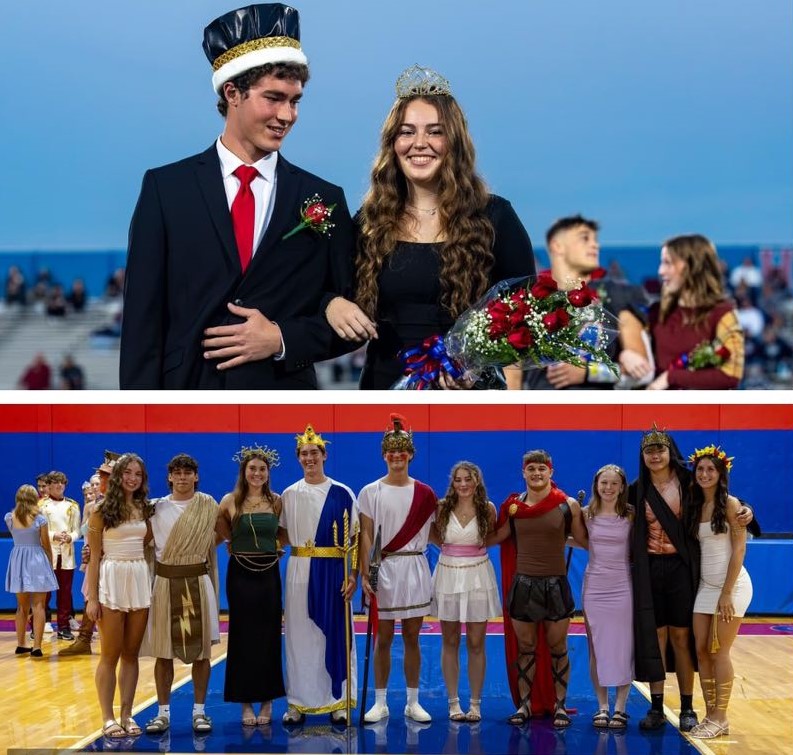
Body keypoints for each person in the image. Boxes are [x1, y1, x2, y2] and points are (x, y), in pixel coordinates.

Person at [120, 3, 355, 389]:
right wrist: (138, 419)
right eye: (274, 97)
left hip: (285, 402)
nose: (288, 114)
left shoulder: (323, 197)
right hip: (189, 399)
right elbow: (142, 326)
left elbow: (352, 321)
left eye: (295, 100)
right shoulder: (165, 189)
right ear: (232, 92)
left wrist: (280, 339)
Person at [324, 65, 536, 389]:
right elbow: (329, 291)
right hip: (385, 397)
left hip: (469, 396)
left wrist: (473, 366)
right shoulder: (368, 224)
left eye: (435, 131)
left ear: (455, 142)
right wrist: (331, 303)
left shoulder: (495, 217)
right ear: (392, 143)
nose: (419, 143)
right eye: (407, 132)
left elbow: (525, 314)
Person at [629, 424, 753, 732]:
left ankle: (687, 707)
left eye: (660, 449)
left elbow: (723, 501)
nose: (655, 455)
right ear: (642, 456)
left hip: (682, 569)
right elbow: (606, 506)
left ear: (671, 453)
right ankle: (656, 707)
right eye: (649, 450)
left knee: (683, 638)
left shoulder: (690, 481)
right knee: (657, 637)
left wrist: (749, 511)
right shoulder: (636, 489)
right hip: (650, 569)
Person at [487, 450, 587, 727]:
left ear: (551, 472)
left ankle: (560, 705)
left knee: (558, 647)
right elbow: (498, 536)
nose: (537, 474)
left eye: (542, 469)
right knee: (526, 648)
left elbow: (584, 540)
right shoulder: (513, 507)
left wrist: (620, 548)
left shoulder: (567, 505)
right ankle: (525, 705)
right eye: (531, 469)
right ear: (523, 473)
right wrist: (457, 538)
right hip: (524, 585)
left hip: (556, 584)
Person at [358, 414, 437, 722]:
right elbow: (365, 535)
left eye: (402, 450)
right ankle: (380, 702)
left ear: (411, 454)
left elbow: (438, 532)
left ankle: (412, 701)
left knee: (413, 637)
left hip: (415, 566)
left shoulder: (426, 493)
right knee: (384, 637)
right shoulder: (370, 492)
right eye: (391, 451)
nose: (396, 456)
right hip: (385, 568)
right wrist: (366, 572)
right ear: (383, 455)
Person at [279, 425, 359, 725]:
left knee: (334, 636)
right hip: (299, 571)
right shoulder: (288, 495)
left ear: (324, 455)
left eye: (314, 453)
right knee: (299, 637)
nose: (309, 458)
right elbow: (282, 536)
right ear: (298, 458)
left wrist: (353, 576)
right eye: (304, 454)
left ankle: (338, 700)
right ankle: (297, 702)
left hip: (333, 572)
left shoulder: (343, 493)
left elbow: (354, 540)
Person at [518, 215, 651, 390]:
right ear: (557, 246)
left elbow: (642, 371)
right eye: (584, 238)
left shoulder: (616, 294)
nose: (595, 244)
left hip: (598, 410)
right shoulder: (529, 298)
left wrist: (589, 372)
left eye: (595, 239)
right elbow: (513, 370)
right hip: (543, 409)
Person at [142, 454, 220, 736]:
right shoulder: (155, 508)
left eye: (188, 472)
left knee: (201, 652)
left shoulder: (208, 505)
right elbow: (139, 540)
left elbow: (225, 534)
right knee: (163, 652)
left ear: (196, 476)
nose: (183, 477)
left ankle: (200, 712)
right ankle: (163, 713)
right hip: (164, 582)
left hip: (198, 581)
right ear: (170, 477)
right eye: (177, 472)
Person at [84, 453, 153, 739]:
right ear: (118, 476)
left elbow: (148, 542)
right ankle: (108, 717)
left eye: (138, 473)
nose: (132, 478)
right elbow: (95, 555)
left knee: (131, 654)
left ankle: (127, 713)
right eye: (128, 473)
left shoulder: (146, 509)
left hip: (138, 577)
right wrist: (92, 598)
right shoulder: (100, 510)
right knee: (109, 654)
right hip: (110, 580)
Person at [216, 445, 285, 726]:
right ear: (244, 472)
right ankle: (245, 703)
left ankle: (267, 701)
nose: (257, 473)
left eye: (262, 469)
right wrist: (231, 544)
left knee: (269, 636)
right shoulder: (229, 501)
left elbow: (283, 534)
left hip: (269, 574)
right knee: (242, 636)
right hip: (241, 574)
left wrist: (276, 547)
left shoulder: (278, 501)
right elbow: (221, 531)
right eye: (252, 469)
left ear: (268, 473)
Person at [688, 446, 753, 739]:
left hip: (732, 586)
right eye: (700, 469)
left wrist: (727, 592)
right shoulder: (694, 504)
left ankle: (721, 716)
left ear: (721, 473)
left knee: (719, 651)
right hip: (705, 587)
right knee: (701, 651)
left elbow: (739, 549)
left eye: (711, 469)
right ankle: (711, 715)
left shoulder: (731, 504)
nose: (704, 474)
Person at [431, 462, 501, 723]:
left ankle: (475, 705)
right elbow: (432, 534)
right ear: (453, 483)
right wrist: (451, 551)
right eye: (458, 480)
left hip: (478, 575)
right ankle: (453, 704)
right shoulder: (441, 508)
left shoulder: (488, 509)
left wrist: (472, 552)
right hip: (448, 573)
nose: (462, 485)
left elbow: (493, 536)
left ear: (477, 482)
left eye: (468, 480)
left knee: (475, 642)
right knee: (449, 640)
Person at [636, 234, 744, 389]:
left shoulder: (723, 314)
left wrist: (670, 377)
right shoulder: (656, 313)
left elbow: (731, 375)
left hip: (702, 411)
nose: (660, 271)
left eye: (668, 263)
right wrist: (627, 355)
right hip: (658, 411)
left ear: (693, 266)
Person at [581, 465, 633, 730]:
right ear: (596, 485)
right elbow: (576, 539)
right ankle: (602, 706)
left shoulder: (632, 515)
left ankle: (621, 707)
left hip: (623, 586)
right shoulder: (585, 514)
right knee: (596, 648)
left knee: (625, 645)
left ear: (622, 487)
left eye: (614, 484)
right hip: (594, 586)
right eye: (604, 483)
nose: (609, 488)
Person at [60, 452, 120, 657]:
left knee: (111, 597)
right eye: (98, 479)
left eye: (104, 477)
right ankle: (85, 638)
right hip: (94, 556)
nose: (99, 484)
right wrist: (89, 550)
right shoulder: (91, 506)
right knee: (90, 594)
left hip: (114, 559)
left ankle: (102, 639)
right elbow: (85, 531)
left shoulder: (123, 505)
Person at [4, 484, 58, 657]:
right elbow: (46, 544)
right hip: (36, 559)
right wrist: (50, 562)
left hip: (18, 559)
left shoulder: (9, 518)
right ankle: (36, 646)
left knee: (21, 606)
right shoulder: (40, 519)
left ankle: (21, 643)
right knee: (39, 605)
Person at [40, 471, 81, 640]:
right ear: (48, 486)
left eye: (61, 483)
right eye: (55, 483)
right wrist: (53, 536)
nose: (59, 486)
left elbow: (77, 530)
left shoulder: (73, 506)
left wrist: (70, 537)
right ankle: (39, 624)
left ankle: (63, 626)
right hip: (47, 554)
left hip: (66, 554)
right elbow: (38, 529)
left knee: (65, 592)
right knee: (44, 592)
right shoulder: (41, 505)